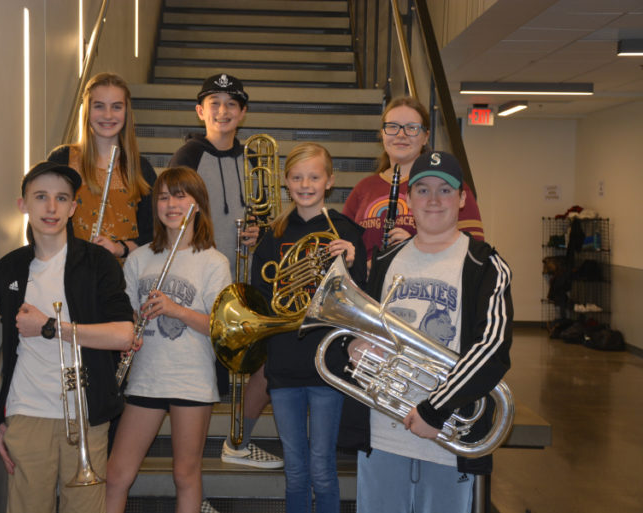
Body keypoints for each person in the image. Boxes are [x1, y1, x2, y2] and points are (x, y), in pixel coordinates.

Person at [338, 151, 513, 513]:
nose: (433, 200)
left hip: (447, 437)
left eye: (445, 191)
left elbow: (492, 347)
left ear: (462, 198)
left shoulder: (485, 264)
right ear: (409, 199)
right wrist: (354, 347)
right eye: (422, 190)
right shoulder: (385, 261)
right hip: (384, 434)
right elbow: (360, 329)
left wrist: (436, 410)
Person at [0, 161, 136, 513]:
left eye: (60, 198)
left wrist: (52, 328)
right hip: (27, 411)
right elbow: (9, 349)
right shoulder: (7, 269)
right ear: (23, 204)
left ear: (73, 208)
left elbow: (123, 335)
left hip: (85, 414)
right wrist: (0, 421)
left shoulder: (99, 262)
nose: (50, 208)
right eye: (40, 197)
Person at [169, 73, 283, 472]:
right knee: (204, 375)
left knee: (253, 362)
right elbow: (172, 210)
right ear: (200, 111)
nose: (223, 110)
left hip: (246, 273)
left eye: (231, 104)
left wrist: (261, 230)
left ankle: (234, 441)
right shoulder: (188, 155)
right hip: (203, 277)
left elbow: (270, 213)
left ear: (243, 113)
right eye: (213, 103)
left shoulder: (254, 156)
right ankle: (193, 472)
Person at [105, 167, 232, 513]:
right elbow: (126, 317)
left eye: (180, 195)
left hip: (191, 379)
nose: (171, 204)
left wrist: (177, 311)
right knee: (116, 474)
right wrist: (128, 332)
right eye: (163, 197)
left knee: (185, 474)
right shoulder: (139, 258)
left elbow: (220, 329)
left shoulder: (213, 262)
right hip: (145, 377)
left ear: (198, 203)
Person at [251, 143, 367, 513]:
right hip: (284, 363)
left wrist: (352, 261)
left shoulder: (346, 231)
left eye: (314, 177)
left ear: (329, 182)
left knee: (322, 467)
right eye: (297, 177)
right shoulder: (274, 234)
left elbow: (361, 299)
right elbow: (261, 294)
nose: (305, 184)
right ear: (286, 183)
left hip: (326, 364)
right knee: (296, 469)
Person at [343, 96, 484, 262]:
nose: (401, 134)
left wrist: (416, 247)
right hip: (367, 286)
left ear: (425, 137)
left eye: (412, 128)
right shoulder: (364, 188)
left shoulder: (450, 187)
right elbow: (343, 244)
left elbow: (474, 252)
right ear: (382, 134)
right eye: (393, 126)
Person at [48, 72, 157, 259]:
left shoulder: (141, 168)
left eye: (116, 107)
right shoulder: (62, 159)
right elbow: (42, 222)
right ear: (87, 111)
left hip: (124, 280)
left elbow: (153, 235)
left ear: (126, 112)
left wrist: (119, 248)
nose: (108, 115)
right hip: (71, 275)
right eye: (99, 106)